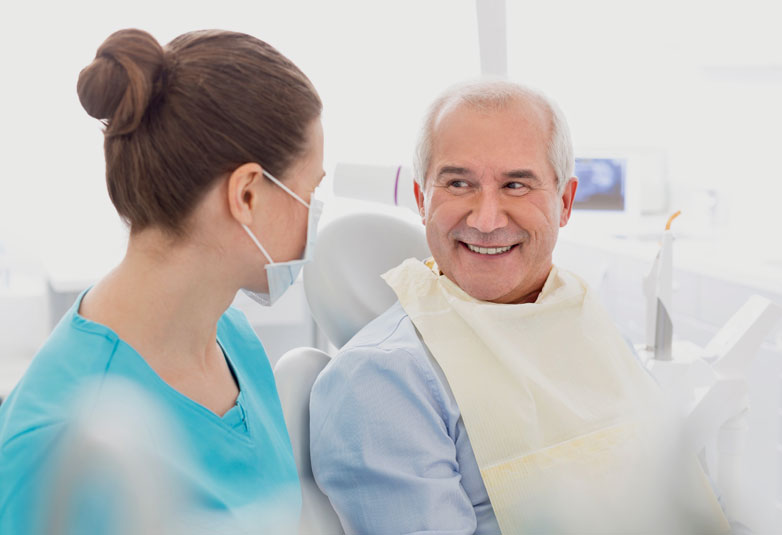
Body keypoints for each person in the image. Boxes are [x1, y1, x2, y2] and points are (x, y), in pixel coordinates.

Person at [309, 80, 731, 534]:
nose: (486, 219)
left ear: (565, 202)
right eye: (458, 183)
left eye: (516, 185)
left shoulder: (579, 316)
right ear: (421, 199)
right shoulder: (385, 379)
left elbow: (687, 489)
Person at [0, 28, 324, 533]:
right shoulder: (60, 444)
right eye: (311, 192)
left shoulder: (232, 337)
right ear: (248, 197)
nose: (316, 218)